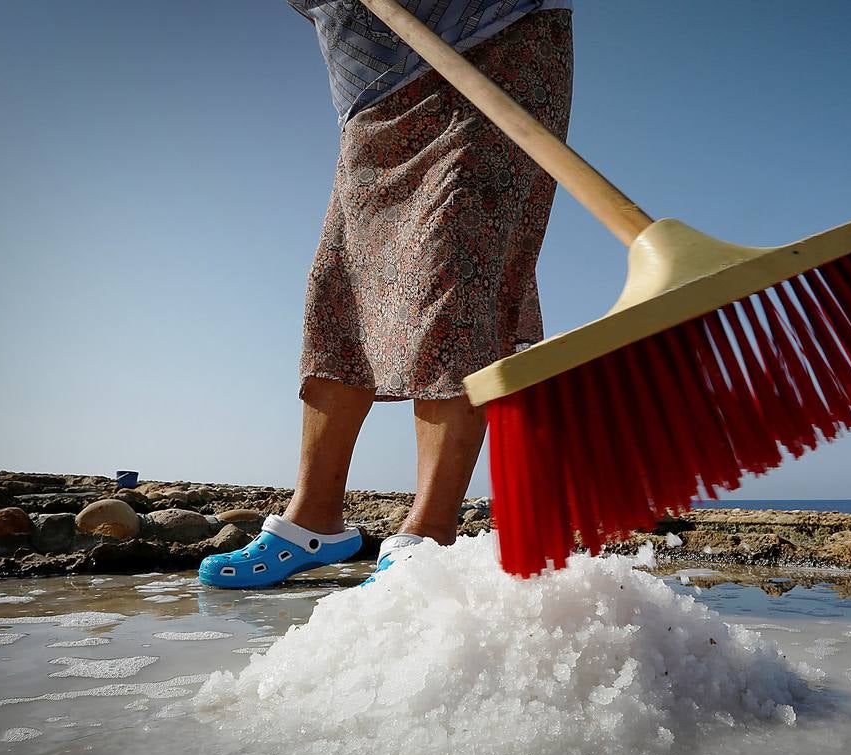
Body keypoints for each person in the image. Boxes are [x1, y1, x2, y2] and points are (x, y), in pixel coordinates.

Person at [200, 0, 574, 588]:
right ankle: (314, 519)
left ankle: (428, 533)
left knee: (454, 270)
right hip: (374, 79)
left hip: (496, 40)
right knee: (341, 284)